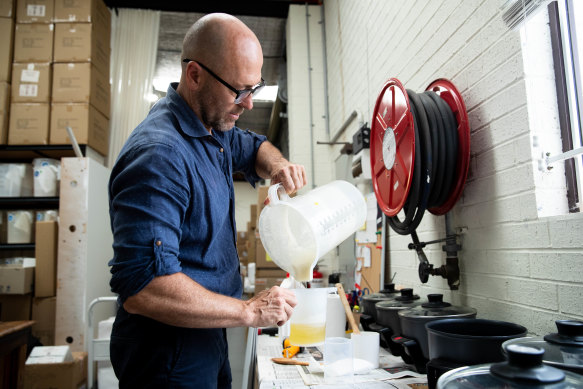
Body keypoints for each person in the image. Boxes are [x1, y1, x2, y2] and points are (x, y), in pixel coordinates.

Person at [107, 13, 307, 388]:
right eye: (239, 91)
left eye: (255, 89)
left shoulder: (210, 128)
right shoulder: (160, 155)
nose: (248, 104)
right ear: (194, 75)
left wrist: (279, 167)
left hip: (207, 333)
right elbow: (143, 288)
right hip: (168, 353)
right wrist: (248, 310)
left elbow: (253, 146)